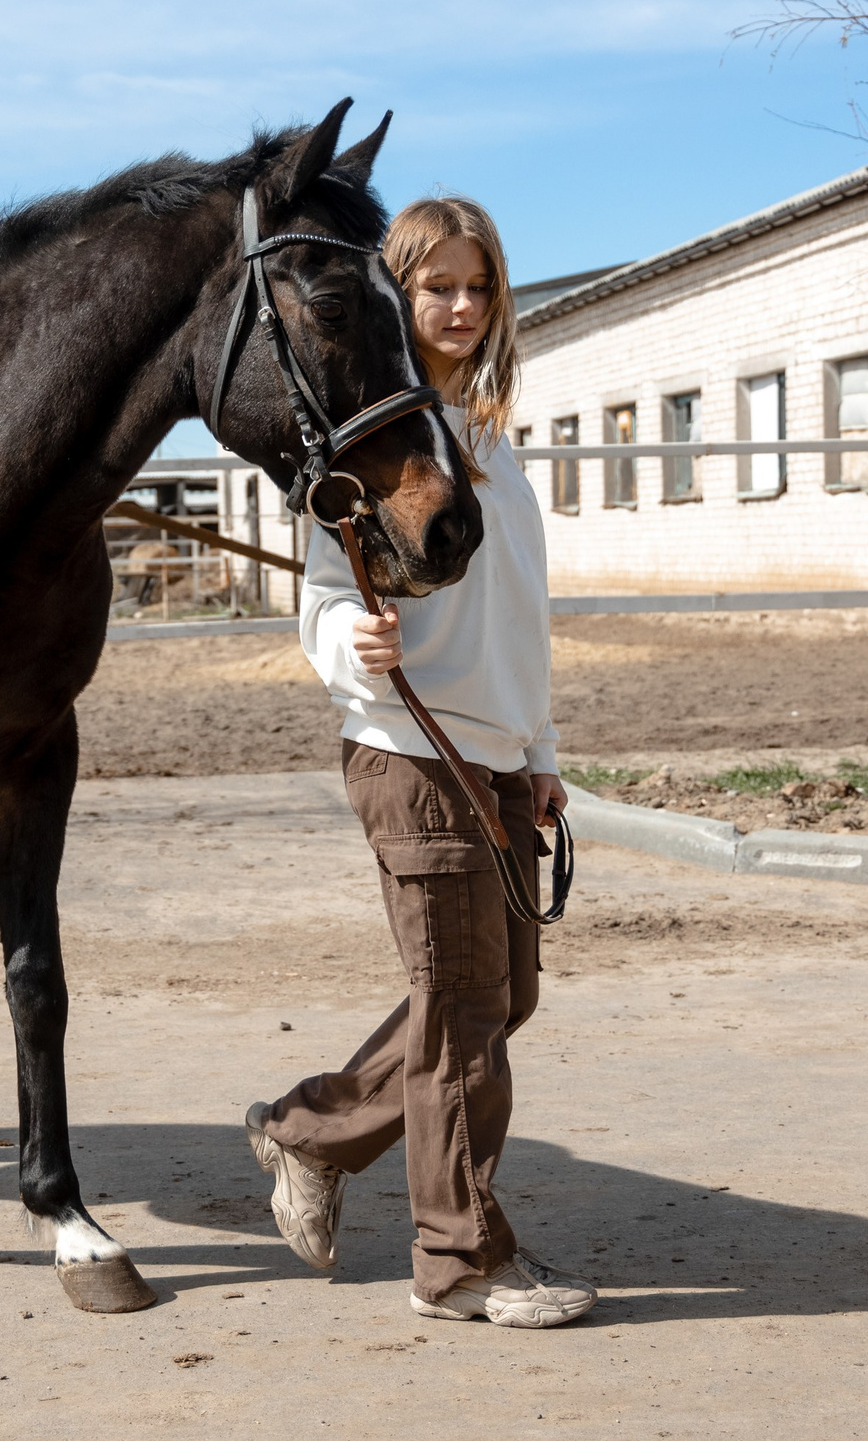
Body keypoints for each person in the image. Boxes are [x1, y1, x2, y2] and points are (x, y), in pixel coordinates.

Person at [244, 195, 595, 1329]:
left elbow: (519, 613)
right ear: (396, 296)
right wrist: (357, 643)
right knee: (460, 1021)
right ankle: (459, 1264)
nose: (460, 305)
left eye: (478, 285)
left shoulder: (488, 433)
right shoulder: (367, 430)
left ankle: (307, 1132)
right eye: (437, 285)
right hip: (409, 746)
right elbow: (322, 597)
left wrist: (536, 753)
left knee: (503, 999)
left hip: (493, 755)